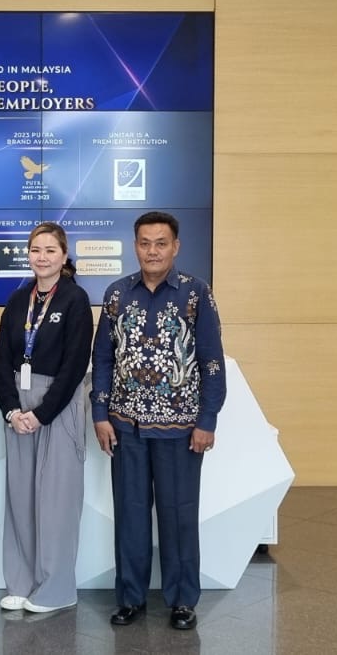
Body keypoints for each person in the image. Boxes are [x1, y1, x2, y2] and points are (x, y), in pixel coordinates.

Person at [90, 211, 226, 631]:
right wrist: (100, 413)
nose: (152, 251)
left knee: (178, 516)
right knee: (130, 516)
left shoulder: (196, 294)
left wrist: (207, 419)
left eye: (161, 243)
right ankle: (130, 598)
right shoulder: (116, 294)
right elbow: (102, 359)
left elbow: (212, 361)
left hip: (181, 430)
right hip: (125, 427)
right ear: (135, 246)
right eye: (145, 243)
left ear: (175, 247)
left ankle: (182, 601)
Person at [0, 222, 92, 614]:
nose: (42, 257)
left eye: (51, 250)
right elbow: (3, 359)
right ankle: (21, 582)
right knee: (20, 498)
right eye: (36, 250)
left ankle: (56, 589)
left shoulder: (75, 299)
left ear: (64, 256)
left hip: (57, 406)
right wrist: (11, 410)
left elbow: (75, 365)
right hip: (19, 408)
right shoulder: (19, 299)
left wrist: (41, 414)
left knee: (56, 501)